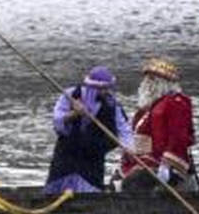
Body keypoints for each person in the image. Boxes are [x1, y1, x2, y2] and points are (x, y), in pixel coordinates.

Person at [44, 66, 133, 195]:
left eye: (107, 88)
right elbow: (57, 121)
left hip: (93, 156)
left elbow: (123, 128)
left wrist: (129, 148)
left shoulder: (111, 104)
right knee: (57, 191)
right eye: (102, 89)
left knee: (90, 191)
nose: (106, 91)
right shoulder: (71, 95)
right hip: (67, 154)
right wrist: (74, 114)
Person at [118, 58, 196, 191]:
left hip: (161, 163)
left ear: (162, 83)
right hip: (144, 161)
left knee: (135, 181)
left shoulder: (175, 103)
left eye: (151, 80)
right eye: (147, 80)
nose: (145, 84)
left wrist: (166, 165)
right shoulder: (148, 107)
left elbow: (178, 136)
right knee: (121, 178)